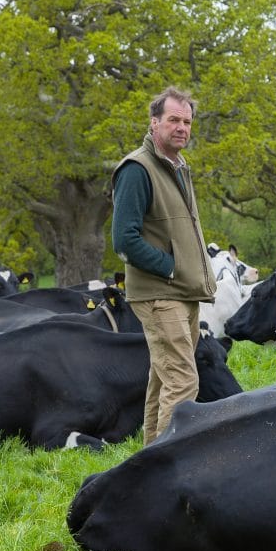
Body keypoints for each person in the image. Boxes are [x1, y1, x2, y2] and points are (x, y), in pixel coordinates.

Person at [111, 87, 216, 444]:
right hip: (160, 291)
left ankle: (147, 462)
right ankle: (168, 468)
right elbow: (124, 239)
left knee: (164, 379)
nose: (182, 127)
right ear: (154, 123)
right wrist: (170, 267)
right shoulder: (137, 169)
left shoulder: (179, 167)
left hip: (182, 290)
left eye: (187, 121)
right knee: (183, 380)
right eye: (173, 119)